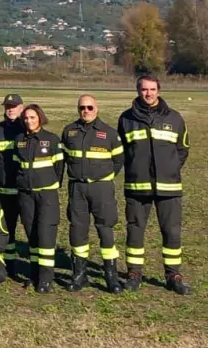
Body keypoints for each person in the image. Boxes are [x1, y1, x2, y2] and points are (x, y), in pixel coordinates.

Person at [118, 74, 191, 295]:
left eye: (152, 89)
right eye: (144, 89)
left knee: (171, 231)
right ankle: (134, 273)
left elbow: (182, 149)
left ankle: (173, 275)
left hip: (169, 187)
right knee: (135, 230)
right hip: (137, 187)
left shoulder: (175, 118)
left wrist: (170, 169)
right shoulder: (126, 119)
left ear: (158, 90)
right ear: (137, 91)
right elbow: (121, 151)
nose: (148, 93)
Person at [61, 93, 124, 293]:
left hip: (101, 188)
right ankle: (79, 276)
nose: (85, 111)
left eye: (89, 107)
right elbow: (64, 158)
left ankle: (111, 276)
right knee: (77, 230)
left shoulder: (109, 133)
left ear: (96, 109)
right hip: (77, 188)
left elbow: (118, 161)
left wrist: (103, 177)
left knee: (105, 229)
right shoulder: (69, 131)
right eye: (82, 107)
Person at [13, 103, 64, 292]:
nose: (29, 121)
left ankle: (46, 278)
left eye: (32, 117)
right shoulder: (19, 140)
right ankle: (34, 274)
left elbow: (59, 168)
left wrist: (48, 184)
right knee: (32, 235)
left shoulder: (51, 139)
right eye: (26, 118)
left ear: (40, 118)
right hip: (26, 194)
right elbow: (16, 165)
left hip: (46, 195)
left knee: (46, 236)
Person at [0, 93, 26, 276]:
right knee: (7, 227)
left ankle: (34, 268)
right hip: (6, 188)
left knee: (30, 227)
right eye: (7, 107)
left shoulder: (27, 128)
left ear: (21, 108)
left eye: (14, 106)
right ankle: (9, 264)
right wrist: (2, 170)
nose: (10, 110)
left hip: (26, 189)